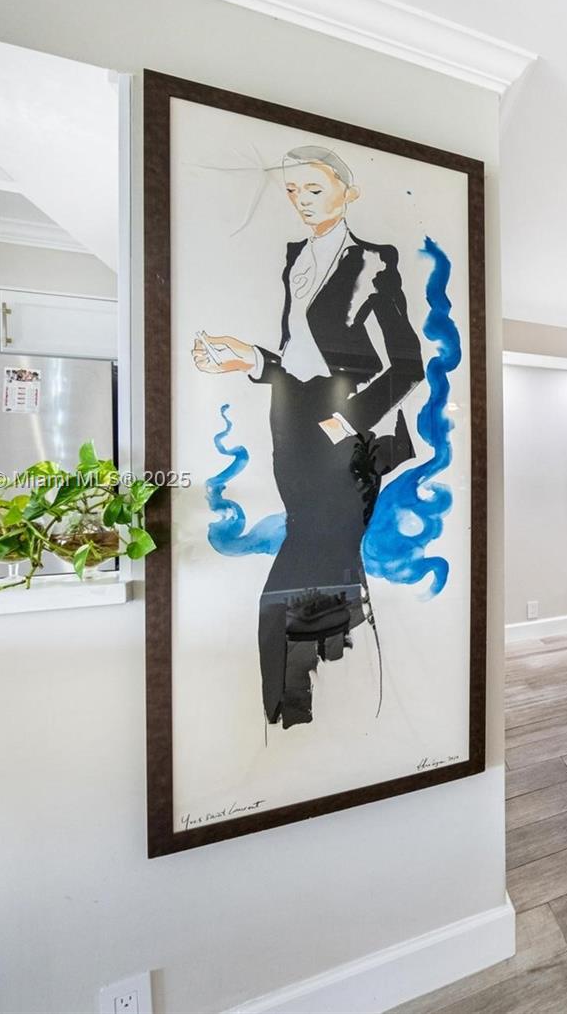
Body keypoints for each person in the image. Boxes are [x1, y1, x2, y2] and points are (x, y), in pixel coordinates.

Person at [192, 145, 424, 728]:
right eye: (292, 191)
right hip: (293, 433)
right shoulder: (296, 256)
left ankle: (288, 709)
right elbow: (301, 360)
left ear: (349, 192)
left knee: (294, 578)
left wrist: (347, 419)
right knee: (325, 562)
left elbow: (407, 364)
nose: (300, 201)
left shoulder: (374, 261)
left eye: (313, 189)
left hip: (346, 441)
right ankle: (334, 687)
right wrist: (250, 360)